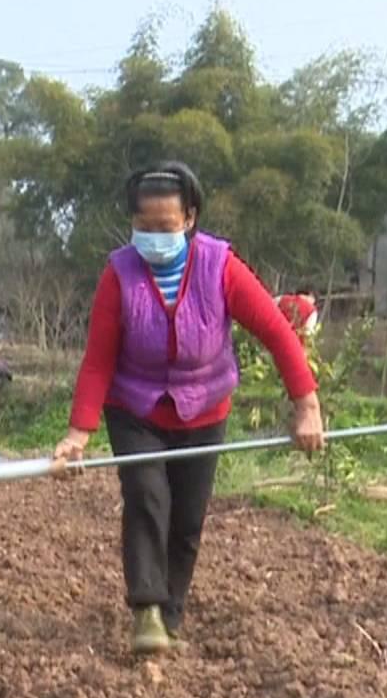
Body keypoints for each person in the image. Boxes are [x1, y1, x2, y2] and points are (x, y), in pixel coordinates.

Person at [51, 162, 326, 657]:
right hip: (134, 406)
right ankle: (147, 611)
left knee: (188, 518)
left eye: (166, 227)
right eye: (144, 227)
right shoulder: (119, 275)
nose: (154, 237)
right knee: (146, 495)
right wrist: (78, 434)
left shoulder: (220, 267)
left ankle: (171, 615)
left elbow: (276, 332)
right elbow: (98, 360)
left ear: (190, 218)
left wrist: (306, 404)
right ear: (132, 223)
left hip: (205, 408)